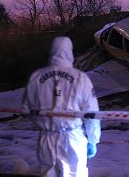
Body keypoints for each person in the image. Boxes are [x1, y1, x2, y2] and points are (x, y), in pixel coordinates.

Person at [23, 36, 101, 177]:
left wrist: (46, 124)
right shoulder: (80, 78)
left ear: (51, 51)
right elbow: (92, 113)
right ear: (70, 52)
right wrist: (93, 140)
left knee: (48, 173)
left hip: (47, 139)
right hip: (73, 139)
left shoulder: (36, 77)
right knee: (75, 173)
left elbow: (27, 109)